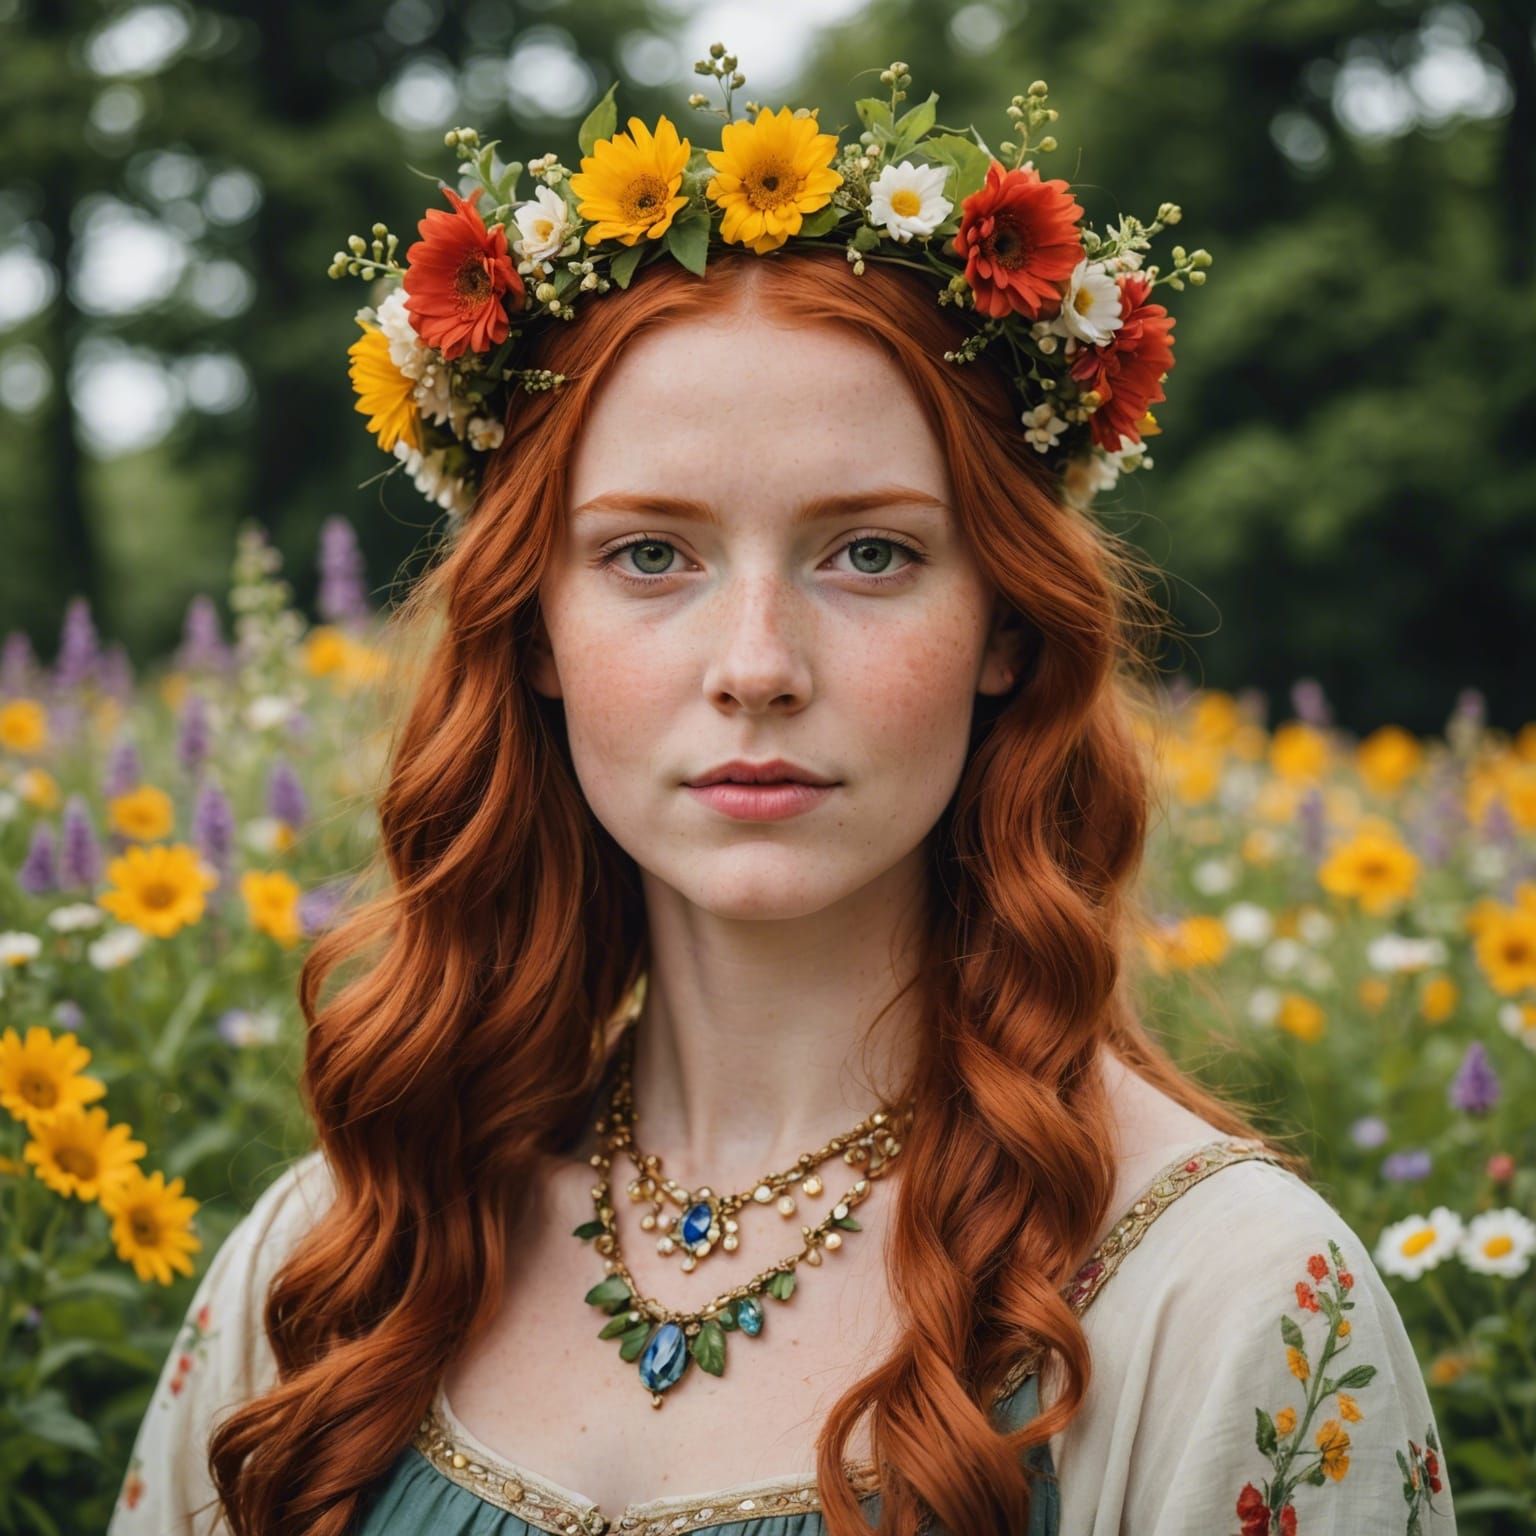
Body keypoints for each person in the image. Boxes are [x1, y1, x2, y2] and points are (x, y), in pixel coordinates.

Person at [108, 69, 1456, 1536]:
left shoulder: (1229, 1300)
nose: (756, 668)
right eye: (650, 556)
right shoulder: (342, 1263)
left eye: (869, 554)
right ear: (535, 630)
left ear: (1005, 624)